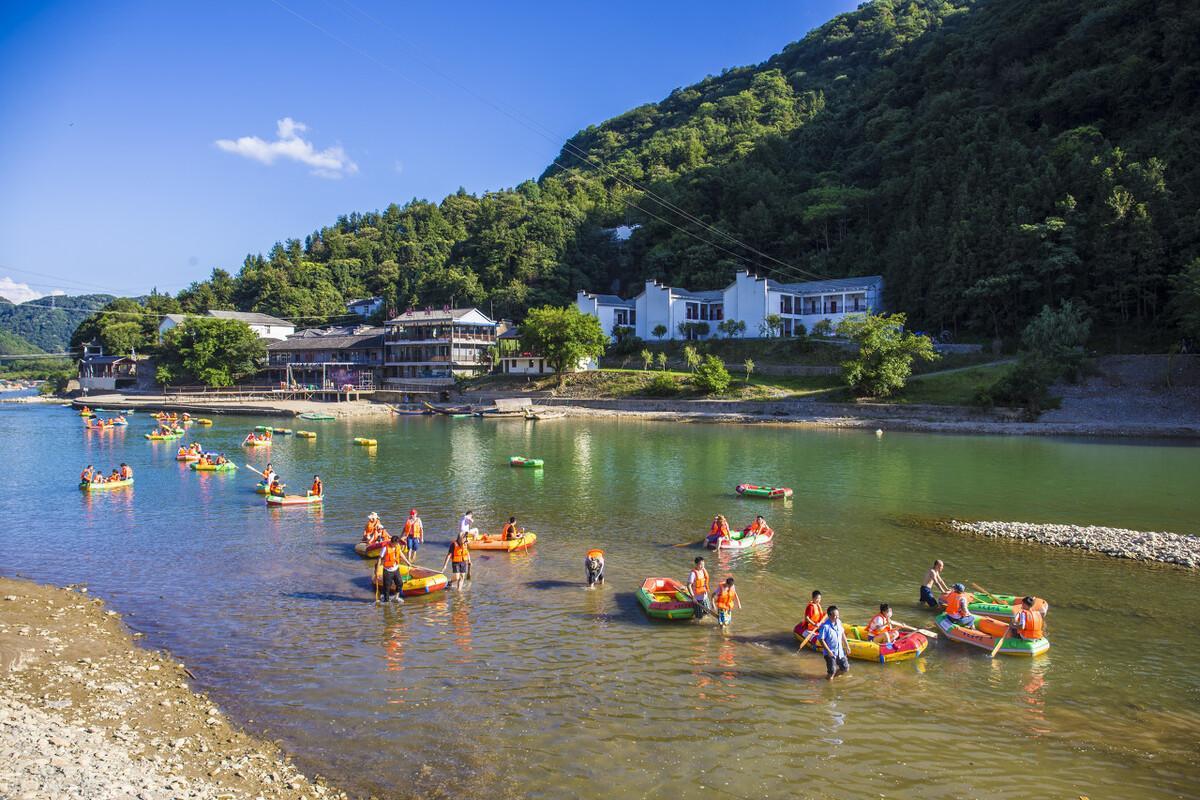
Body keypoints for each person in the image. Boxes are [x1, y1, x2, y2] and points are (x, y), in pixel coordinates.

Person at [817, 605, 851, 680]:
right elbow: (821, 639)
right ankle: (829, 682)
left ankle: (831, 677)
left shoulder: (839, 622)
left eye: (838, 615)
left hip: (840, 651)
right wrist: (828, 651)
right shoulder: (825, 626)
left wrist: (847, 646)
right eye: (834, 616)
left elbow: (842, 634)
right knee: (831, 671)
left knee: (845, 668)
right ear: (829, 615)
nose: (836, 617)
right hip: (830, 653)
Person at [376, 535, 411, 604]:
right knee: (387, 587)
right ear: (392, 542)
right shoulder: (385, 548)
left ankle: (396, 597)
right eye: (395, 544)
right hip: (387, 570)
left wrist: (407, 562)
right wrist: (377, 571)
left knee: (400, 583)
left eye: (397, 544)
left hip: (395, 569)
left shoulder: (397, 546)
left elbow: (401, 554)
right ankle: (386, 601)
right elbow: (379, 558)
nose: (396, 545)